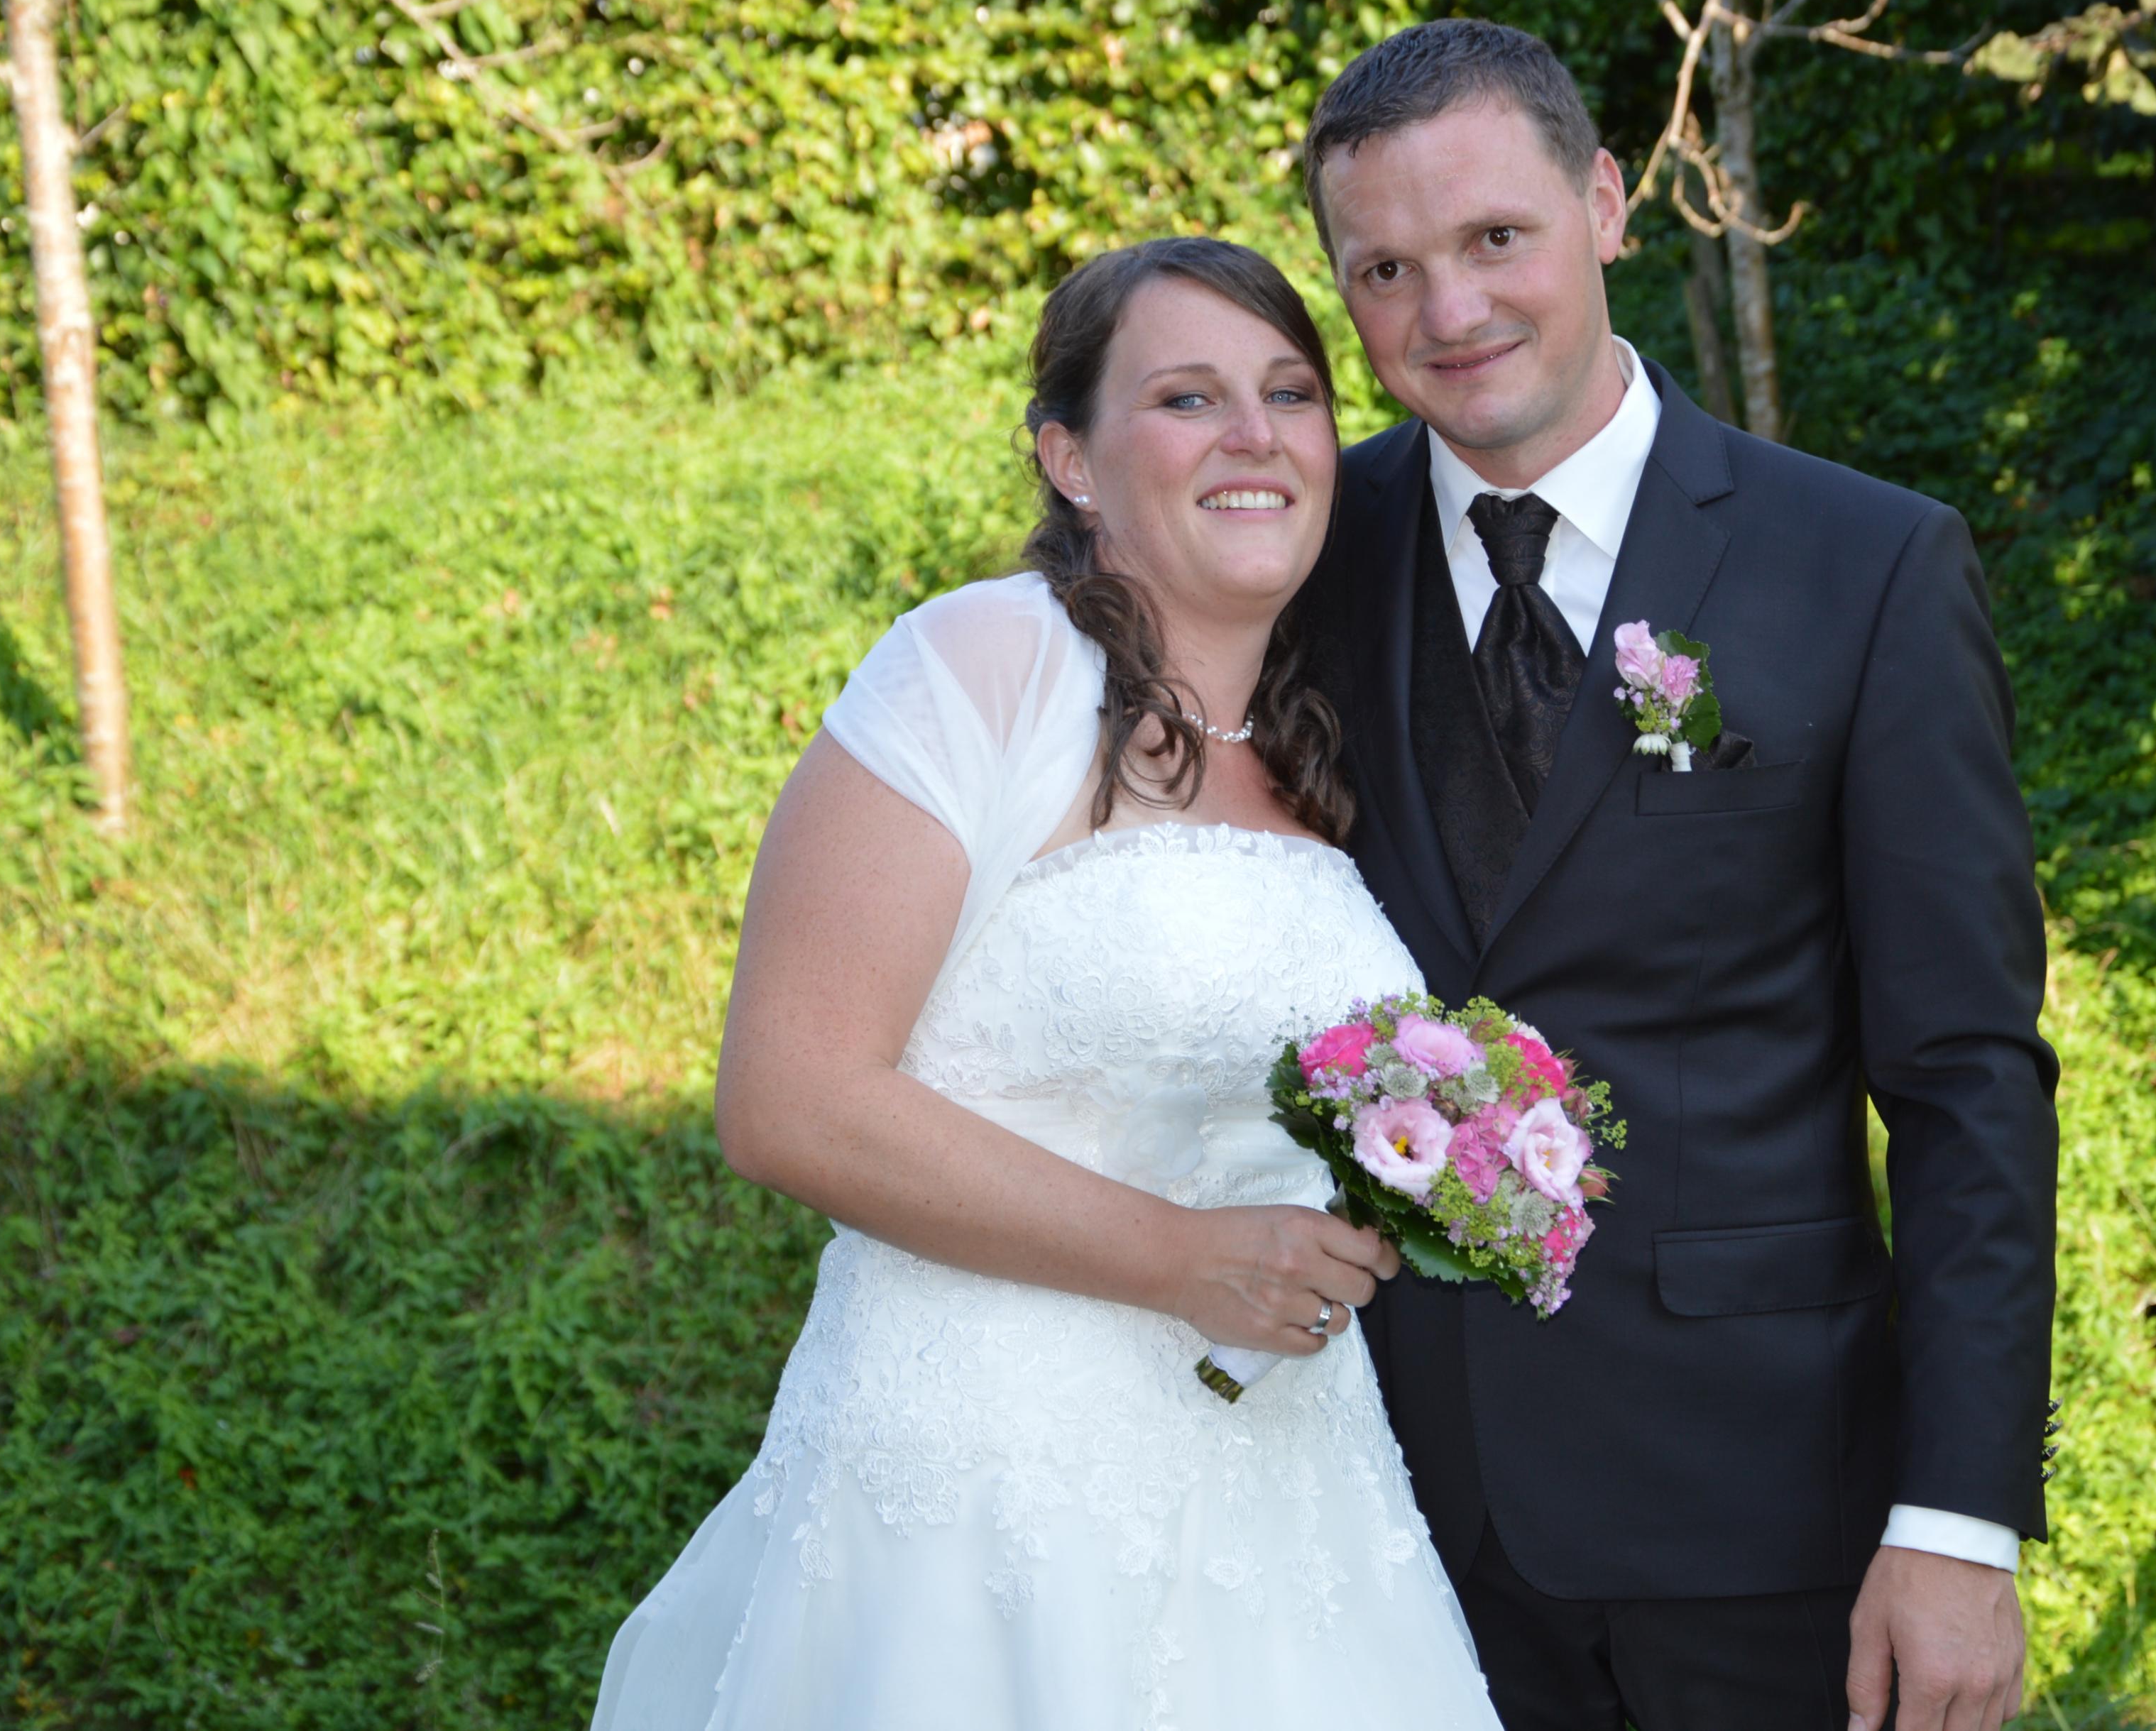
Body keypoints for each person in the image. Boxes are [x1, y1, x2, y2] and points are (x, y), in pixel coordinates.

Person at [586, 238, 1504, 1730]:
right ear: (1070, 459)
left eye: (1290, 393)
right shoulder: (985, 663)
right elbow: (790, 1099)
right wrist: (1180, 1258)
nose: (1256, 434)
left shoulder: (1308, 751)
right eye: (1188, 398)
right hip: (987, 1494)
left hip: (1284, 1500)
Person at [1296, 18, 2059, 1731]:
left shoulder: (1863, 564)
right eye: (1384, 271)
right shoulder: (1300, 559)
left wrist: (1956, 1522)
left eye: (1495, 237)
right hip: (1395, 1513)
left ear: (1605, 203)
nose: (1448, 311)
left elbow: (1963, 1077)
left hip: (1769, 1505)